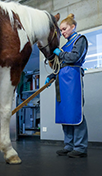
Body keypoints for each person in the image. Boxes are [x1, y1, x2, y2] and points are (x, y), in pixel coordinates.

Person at [45, 13, 88, 158]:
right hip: (62, 81)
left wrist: (60, 53)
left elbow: (74, 57)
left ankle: (80, 148)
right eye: (61, 30)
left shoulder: (80, 39)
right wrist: (52, 75)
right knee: (66, 114)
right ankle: (69, 145)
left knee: (76, 114)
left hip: (73, 81)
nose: (62, 32)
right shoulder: (65, 45)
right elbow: (61, 64)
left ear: (73, 27)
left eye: (64, 29)